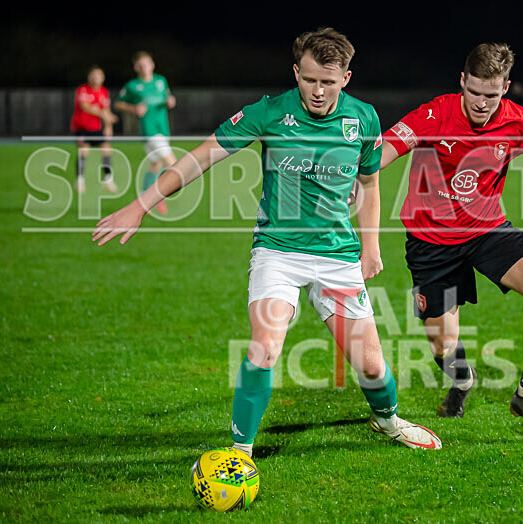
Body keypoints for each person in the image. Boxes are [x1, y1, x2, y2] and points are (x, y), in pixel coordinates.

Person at [92, 28, 442, 455]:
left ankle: (388, 422)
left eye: (328, 82)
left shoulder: (363, 119)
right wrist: (140, 205)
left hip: (337, 255)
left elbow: (369, 183)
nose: (317, 91)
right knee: (264, 345)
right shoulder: (269, 112)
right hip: (278, 251)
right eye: (309, 79)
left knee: (369, 364)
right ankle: (240, 454)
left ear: (345, 79)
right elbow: (201, 157)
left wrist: (371, 247)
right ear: (296, 71)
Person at [378, 43, 523, 441]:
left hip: (488, 230)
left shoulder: (516, 120)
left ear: (505, 87)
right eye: (474, 92)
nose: (481, 102)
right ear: (462, 81)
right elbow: (387, 147)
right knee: (444, 345)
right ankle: (462, 380)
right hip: (431, 241)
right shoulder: (437, 112)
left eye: (491, 94)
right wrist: (358, 177)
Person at [115, 51, 177, 214]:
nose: (144, 67)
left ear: (152, 64)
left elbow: (168, 97)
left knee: (155, 165)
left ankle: (143, 198)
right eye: (140, 65)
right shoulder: (132, 86)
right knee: (173, 165)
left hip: (163, 129)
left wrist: (170, 101)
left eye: (146, 64)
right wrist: (133, 108)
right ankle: (158, 198)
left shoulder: (160, 81)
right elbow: (119, 104)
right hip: (149, 131)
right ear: (136, 68)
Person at [70, 66, 118, 194]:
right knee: (84, 151)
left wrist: (109, 126)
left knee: (107, 149)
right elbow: (85, 106)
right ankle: (80, 180)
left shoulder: (104, 91)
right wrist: (103, 114)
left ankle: (108, 179)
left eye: (98, 75)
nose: (95, 78)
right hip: (82, 127)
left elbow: (106, 110)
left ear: (103, 78)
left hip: (96, 128)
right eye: (93, 75)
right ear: (89, 77)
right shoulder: (83, 89)